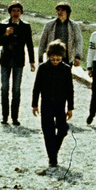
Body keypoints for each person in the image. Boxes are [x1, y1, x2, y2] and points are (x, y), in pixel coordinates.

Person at [31, 40, 75, 169]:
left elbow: (70, 89)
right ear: (48, 56)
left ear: (62, 57)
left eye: (58, 59)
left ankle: (53, 149)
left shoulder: (66, 69)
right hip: (46, 103)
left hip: (60, 104)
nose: (55, 61)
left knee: (62, 129)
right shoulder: (43, 68)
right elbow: (37, 87)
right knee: (48, 131)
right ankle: (52, 158)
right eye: (53, 59)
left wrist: (70, 107)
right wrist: (34, 105)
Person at [0, 1, 35, 124]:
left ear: (21, 12)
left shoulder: (26, 26)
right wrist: (6, 34)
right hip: (6, 60)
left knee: (16, 89)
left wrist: (32, 61)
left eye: (18, 10)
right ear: (10, 12)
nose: (16, 13)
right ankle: (4, 116)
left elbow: (29, 44)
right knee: (4, 88)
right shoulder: (3, 24)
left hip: (18, 61)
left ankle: (15, 117)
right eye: (13, 10)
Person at [39, 2, 83, 67]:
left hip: (67, 58)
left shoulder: (74, 26)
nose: (60, 12)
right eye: (58, 10)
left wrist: (77, 57)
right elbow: (42, 41)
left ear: (67, 12)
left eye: (63, 10)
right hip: (52, 58)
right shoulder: (49, 25)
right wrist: (40, 57)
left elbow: (78, 41)